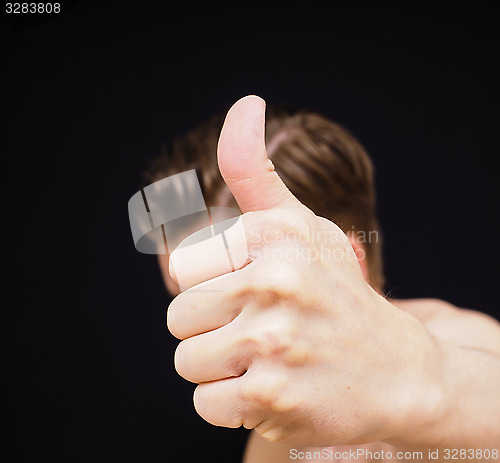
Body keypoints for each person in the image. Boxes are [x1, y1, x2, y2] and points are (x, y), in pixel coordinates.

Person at [144, 95, 500, 462]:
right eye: (183, 297)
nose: (197, 330)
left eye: (227, 291)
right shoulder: (279, 431)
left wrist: (414, 379)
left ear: (345, 263)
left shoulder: (466, 344)